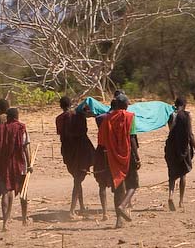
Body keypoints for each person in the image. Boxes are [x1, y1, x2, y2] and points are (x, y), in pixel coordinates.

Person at [98, 93, 140, 228]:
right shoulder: (129, 117)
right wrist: (137, 157)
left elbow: (102, 141)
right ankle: (123, 206)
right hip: (127, 156)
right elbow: (132, 138)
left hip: (111, 157)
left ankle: (118, 221)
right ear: (125, 104)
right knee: (133, 185)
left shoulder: (107, 119)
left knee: (118, 189)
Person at [56, 96, 94, 219]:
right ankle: (72, 211)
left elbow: (62, 134)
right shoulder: (78, 115)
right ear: (71, 103)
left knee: (77, 178)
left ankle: (81, 207)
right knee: (78, 180)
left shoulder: (59, 119)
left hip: (67, 152)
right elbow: (84, 130)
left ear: (60, 106)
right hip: (81, 150)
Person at [0, 107, 32, 231]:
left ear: (8, 117)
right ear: (17, 116)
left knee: (6, 191)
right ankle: (24, 218)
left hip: (4, 164)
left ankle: (5, 223)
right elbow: (25, 147)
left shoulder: (1, 128)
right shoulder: (21, 127)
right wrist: (29, 164)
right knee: (23, 190)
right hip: (19, 163)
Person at [164, 97, 195, 211]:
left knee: (172, 174)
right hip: (183, 148)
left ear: (175, 105)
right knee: (183, 174)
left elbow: (171, 131)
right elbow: (190, 134)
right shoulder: (187, 115)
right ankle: (181, 201)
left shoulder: (171, 116)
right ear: (185, 105)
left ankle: (170, 196)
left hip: (171, 147)